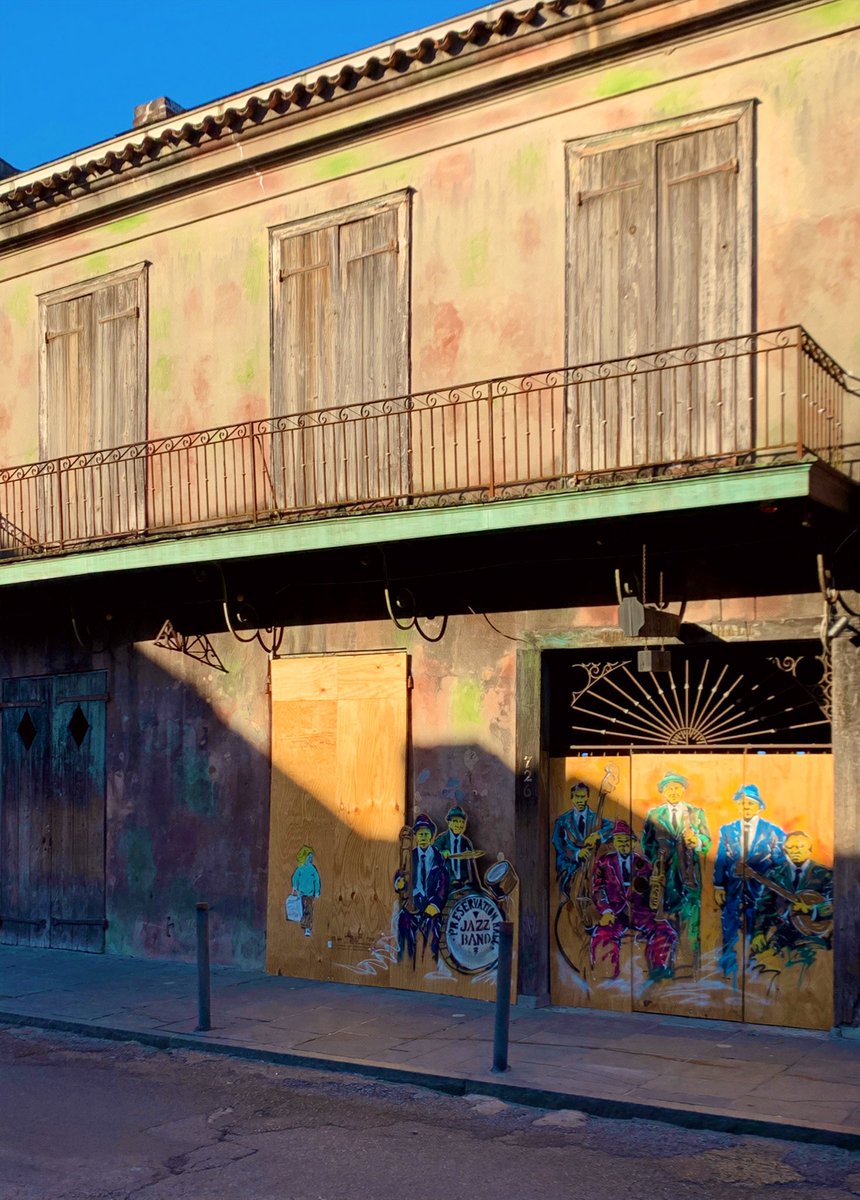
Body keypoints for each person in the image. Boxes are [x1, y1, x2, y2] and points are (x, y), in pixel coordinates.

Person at [713, 784, 786, 985]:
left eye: (750, 803)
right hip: (733, 888)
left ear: (759, 807)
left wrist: (774, 890)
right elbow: (721, 859)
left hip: (761, 891)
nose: (746, 807)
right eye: (743, 803)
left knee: (757, 927)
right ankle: (727, 969)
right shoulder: (728, 830)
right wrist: (719, 886)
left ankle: (755, 970)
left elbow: (780, 864)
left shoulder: (773, 832)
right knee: (729, 925)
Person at [641, 772, 711, 971]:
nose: (673, 792)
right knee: (665, 923)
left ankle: (688, 969)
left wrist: (696, 841)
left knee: (690, 923)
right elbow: (646, 844)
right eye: (669, 788)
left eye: (677, 787)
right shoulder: (654, 815)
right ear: (663, 792)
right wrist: (658, 858)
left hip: (689, 878)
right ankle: (664, 969)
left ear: (683, 790)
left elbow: (706, 842)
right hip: (664, 878)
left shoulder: (696, 813)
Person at [589, 821, 677, 982]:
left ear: (633, 842)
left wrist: (657, 883)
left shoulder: (643, 863)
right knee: (601, 935)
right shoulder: (604, 862)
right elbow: (597, 890)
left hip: (639, 912)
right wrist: (606, 911)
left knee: (665, 930)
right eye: (619, 841)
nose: (623, 845)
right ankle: (607, 975)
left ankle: (659, 968)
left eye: (627, 841)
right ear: (614, 843)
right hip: (616, 913)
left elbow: (652, 891)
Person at [750, 831, 833, 968]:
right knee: (757, 964)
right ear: (785, 849)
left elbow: (836, 905)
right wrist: (759, 932)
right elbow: (763, 907)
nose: (795, 851)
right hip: (782, 935)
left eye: (800, 847)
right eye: (791, 847)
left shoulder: (825, 875)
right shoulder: (774, 874)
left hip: (815, 936)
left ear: (809, 849)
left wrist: (811, 910)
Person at [394, 814, 450, 965]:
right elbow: (401, 874)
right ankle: (406, 963)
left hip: (430, 904)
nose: (423, 837)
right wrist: (399, 883)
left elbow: (443, 884)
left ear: (431, 837)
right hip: (413, 903)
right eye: (420, 834)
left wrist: (436, 904)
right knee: (404, 922)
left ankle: (429, 964)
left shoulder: (438, 858)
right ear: (416, 837)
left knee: (433, 927)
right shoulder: (410, 856)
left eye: (426, 834)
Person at [552, 781, 614, 899]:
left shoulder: (595, 819)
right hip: (570, 867)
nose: (580, 800)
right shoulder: (562, 821)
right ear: (572, 798)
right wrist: (576, 853)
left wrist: (598, 835)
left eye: (583, 797)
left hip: (592, 867)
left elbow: (612, 827)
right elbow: (559, 844)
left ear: (587, 797)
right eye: (577, 797)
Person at [433, 805, 478, 891]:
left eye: (462, 822)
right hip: (445, 885)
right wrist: (441, 854)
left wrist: (476, 888)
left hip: (463, 885)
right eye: (455, 821)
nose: (459, 825)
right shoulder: (441, 840)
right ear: (449, 823)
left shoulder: (466, 843)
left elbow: (472, 868)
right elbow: (431, 857)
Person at [291, 846, 321, 938]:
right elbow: (295, 878)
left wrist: (317, 892)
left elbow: (317, 880)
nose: (311, 859)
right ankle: (304, 923)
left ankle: (307, 928)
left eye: (312, 857)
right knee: (301, 909)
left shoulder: (313, 869)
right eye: (309, 857)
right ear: (304, 857)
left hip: (310, 894)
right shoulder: (300, 868)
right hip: (301, 893)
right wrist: (295, 887)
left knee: (309, 910)